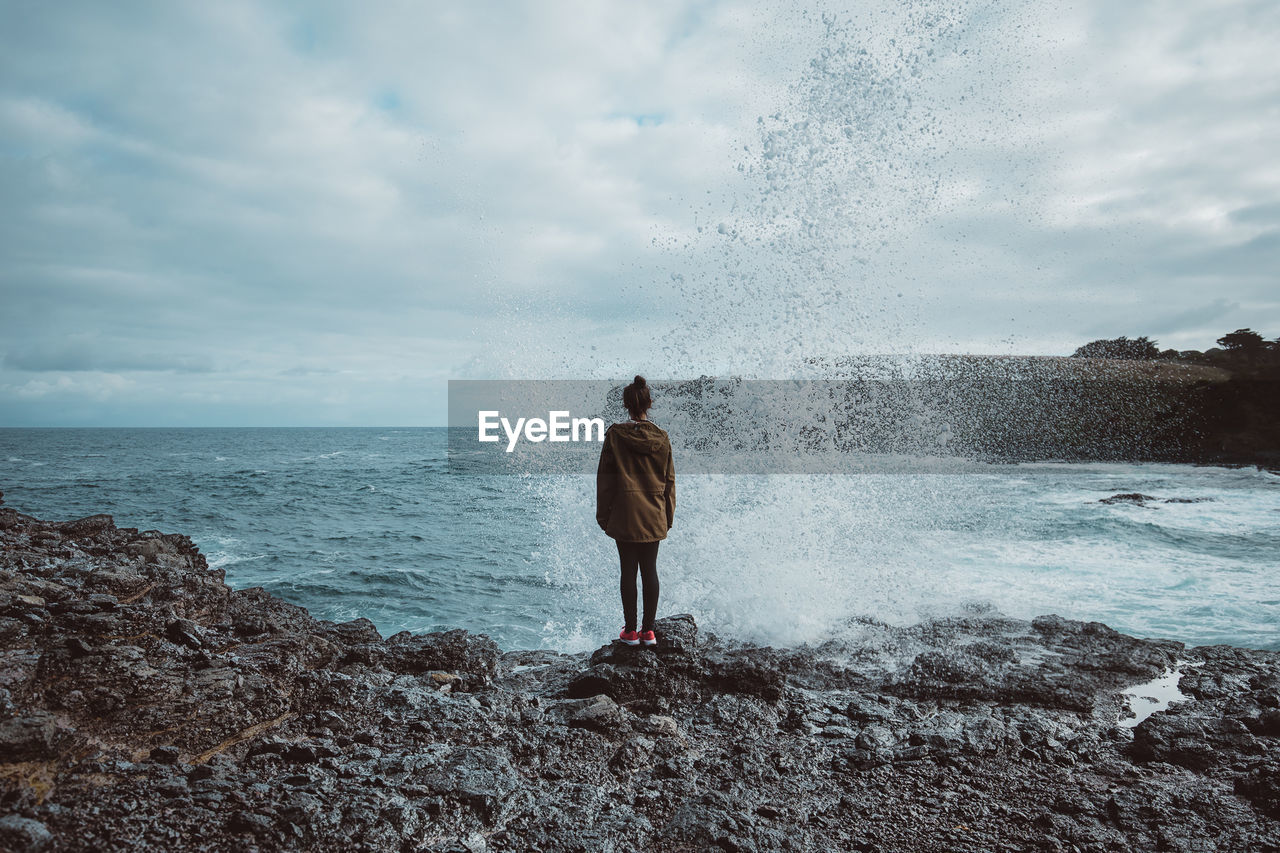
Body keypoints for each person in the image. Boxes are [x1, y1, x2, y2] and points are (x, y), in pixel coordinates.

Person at [595, 375, 675, 647]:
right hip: (654, 513)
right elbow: (669, 480)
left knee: (628, 570)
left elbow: (605, 478)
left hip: (625, 512)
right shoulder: (662, 438)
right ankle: (648, 632)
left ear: (625, 404)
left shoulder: (615, 435)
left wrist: (603, 515)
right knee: (650, 569)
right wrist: (668, 516)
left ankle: (630, 631)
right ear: (649, 403)